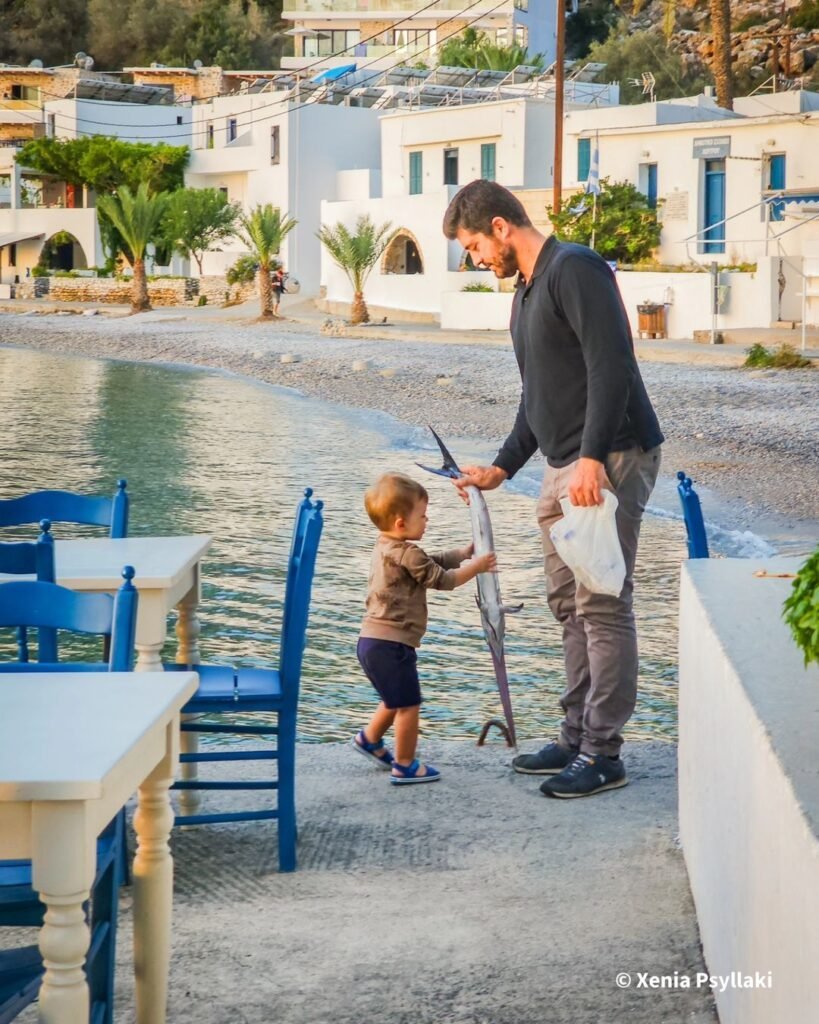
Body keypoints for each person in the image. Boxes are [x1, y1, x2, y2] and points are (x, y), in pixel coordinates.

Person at [442, 179, 664, 799]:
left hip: (610, 455)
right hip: (564, 462)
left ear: (500, 228)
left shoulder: (576, 269)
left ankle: (603, 753)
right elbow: (538, 394)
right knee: (567, 604)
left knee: (602, 603)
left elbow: (610, 364)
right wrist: (503, 467)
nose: (476, 259)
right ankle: (574, 736)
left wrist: (592, 458)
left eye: (474, 246)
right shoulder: (526, 291)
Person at [354, 472, 497, 786]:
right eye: (422, 514)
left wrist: (462, 554)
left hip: (371, 642)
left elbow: (429, 562)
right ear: (401, 523)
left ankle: (370, 739)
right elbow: (442, 579)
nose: (427, 519)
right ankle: (405, 765)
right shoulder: (407, 552)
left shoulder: (387, 547)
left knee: (394, 697)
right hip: (392, 645)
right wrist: (477, 566)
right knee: (408, 704)